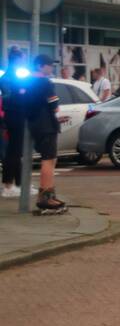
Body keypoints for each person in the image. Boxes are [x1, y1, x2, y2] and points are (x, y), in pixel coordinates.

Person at [21, 56, 69, 213]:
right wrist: (55, 115)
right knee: (49, 159)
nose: (51, 68)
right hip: (47, 125)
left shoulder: (27, 81)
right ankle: (46, 198)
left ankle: (49, 195)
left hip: (35, 123)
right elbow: (53, 104)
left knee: (48, 158)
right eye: (49, 65)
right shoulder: (45, 83)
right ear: (40, 66)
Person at [1, 47, 32, 198]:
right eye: (23, 59)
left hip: (18, 114)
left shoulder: (16, 75)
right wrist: (21, 92)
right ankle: (8, 185)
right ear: (18, 59)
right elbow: (8, 97)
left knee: (17, 150)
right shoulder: (9, 76)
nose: (24, 61)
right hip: (14, 115)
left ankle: (20, 184)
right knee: (13, 151)